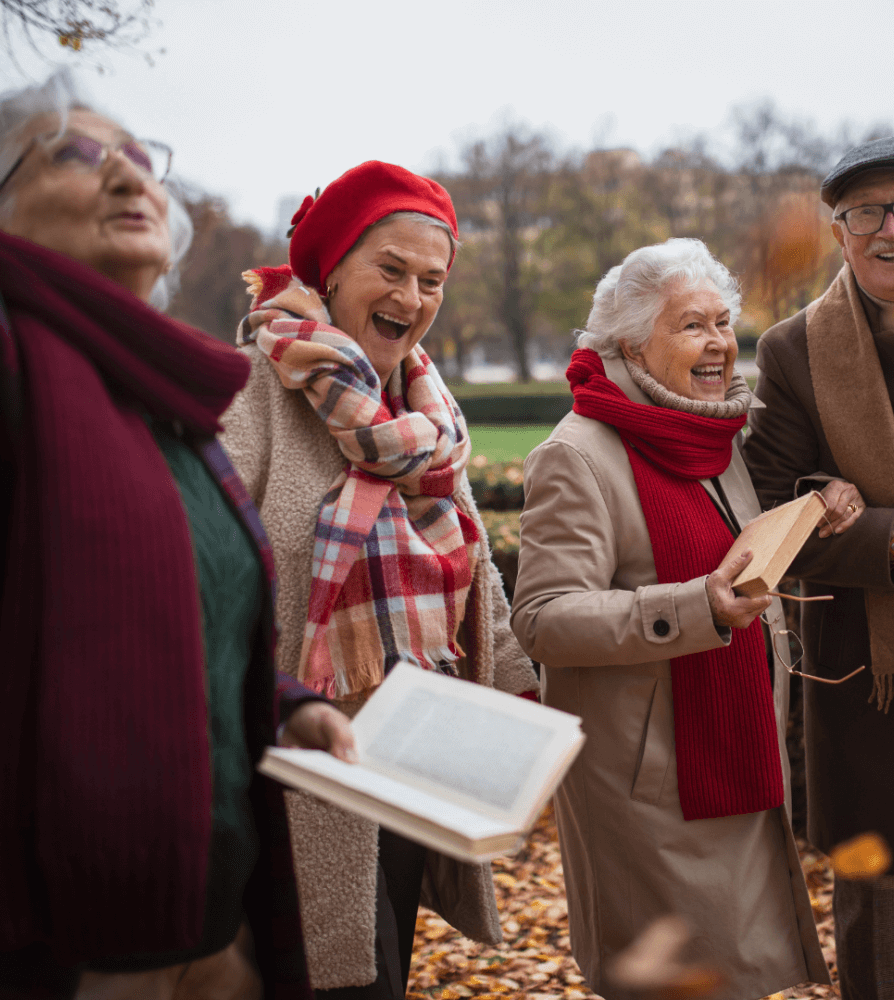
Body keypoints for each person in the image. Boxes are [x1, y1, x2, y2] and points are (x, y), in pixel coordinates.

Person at [0, 70, 356, 999]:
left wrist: (281, 705)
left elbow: (190, 615)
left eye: (142, 159)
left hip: (206, 917)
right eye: (76, 150)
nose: (128, 177)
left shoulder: (164, 401)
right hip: (56, 940)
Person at [219, 160, 539, 998]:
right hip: (296, 762)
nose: (413, 295)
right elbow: (208, 580)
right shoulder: (253, 391)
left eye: (431, 279)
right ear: (331, 271)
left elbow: (478, 578)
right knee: (324, 973)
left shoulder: (423, 411)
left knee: (379, 965)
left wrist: (523, 692)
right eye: (390, 270)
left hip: (408, 750)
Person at [509, 238, 835, 999]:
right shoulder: (579, 454)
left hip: (734, 753)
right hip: (649, 788)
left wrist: (824, 497)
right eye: (693, 326)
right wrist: (695, 608)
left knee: (732, 978)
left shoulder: (711, 436)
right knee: (680, 984)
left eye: (724, 322)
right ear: (630, 343)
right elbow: (543, 618)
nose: (720, 342)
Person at [742, 135, 894, 999]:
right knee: (875, 917)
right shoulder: (792, 352)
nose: (890, 229)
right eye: (863, 214)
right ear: (841, 235)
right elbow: (766, 515)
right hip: (878, 676)